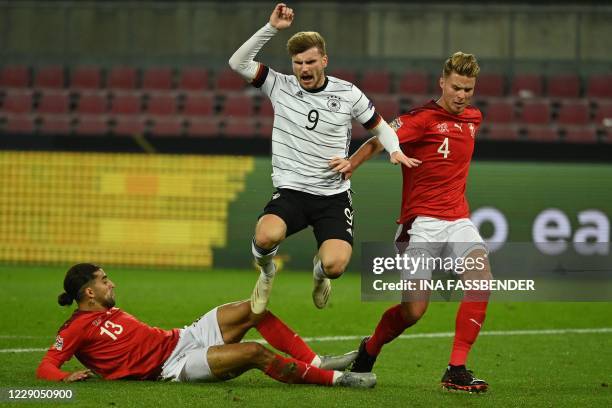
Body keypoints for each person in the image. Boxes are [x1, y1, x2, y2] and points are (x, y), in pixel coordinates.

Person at [228, 3, 421, 314]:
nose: (303, 68)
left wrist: (395, 149)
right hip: (292, 190)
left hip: (332, 195)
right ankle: (266, 273)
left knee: (335, 265)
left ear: (324, 61)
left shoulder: (348, 94)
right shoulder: (280, 86)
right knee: (266, 236)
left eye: (310, 61)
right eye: (297, 62)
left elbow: (381, 127)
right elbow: (237, 62)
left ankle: (320, 276)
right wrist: (272, 29)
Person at [341, 52, 492, 393]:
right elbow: (379, 138)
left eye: (468, 89)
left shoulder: (474, 118)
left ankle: (456, 369)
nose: (461, 95)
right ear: (442, 82)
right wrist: (352, 165)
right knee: (413, 310)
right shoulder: (421, 118)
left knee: (481, 277)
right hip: (420, 224)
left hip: (458, 218)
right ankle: (369, 349)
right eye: (456, 87)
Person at [36, 263, 375, 388]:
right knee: (255, 352)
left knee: (253, 309)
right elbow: (46, 366)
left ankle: (315, 362)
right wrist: (64, 377)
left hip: (183, 337)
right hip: (173, 366)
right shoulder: (75, 328)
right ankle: (337, 379)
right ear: (90, 292)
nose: (113, 284)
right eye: (105, 280)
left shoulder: (104, 312)